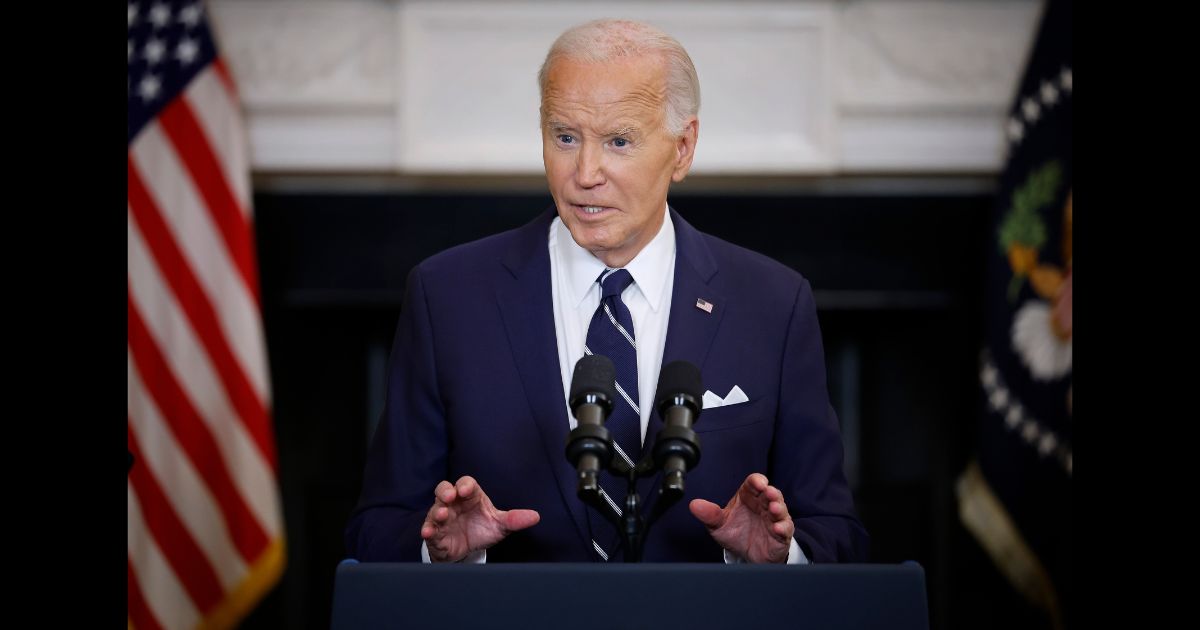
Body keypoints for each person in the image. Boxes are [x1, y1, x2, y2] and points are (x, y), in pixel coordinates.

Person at [345, 18, 868, 564]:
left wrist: (782, 557)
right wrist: (441, 553)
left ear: (683, 149)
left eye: (618, 141)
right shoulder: (447, 297)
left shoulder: (773, 304)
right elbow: (376, 529)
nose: (585, 173)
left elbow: (838, 535)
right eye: (565, 137)